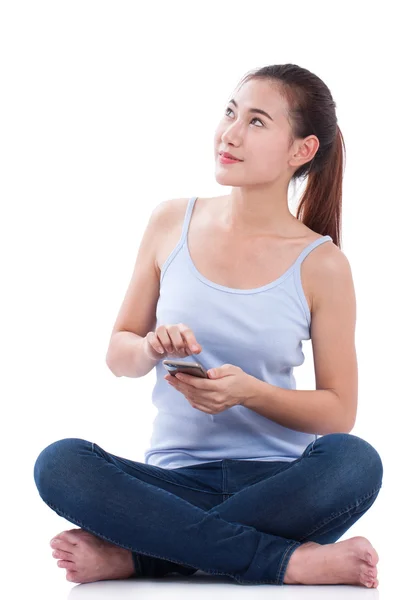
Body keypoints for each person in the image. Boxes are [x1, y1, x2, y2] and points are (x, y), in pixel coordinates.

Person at [33, 63, 383, 587]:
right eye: (230, 112)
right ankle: (284, 562)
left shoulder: (321, 263)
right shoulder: (171, 221)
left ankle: (144, 556)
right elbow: (118, 353)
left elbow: (338, 413)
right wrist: (151, 346)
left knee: (355, 462)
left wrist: (249, 393)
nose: (231, 134)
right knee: (59, 463)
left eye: (257, 122)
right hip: (169, 485)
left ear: (301, 151)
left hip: (281, 484)